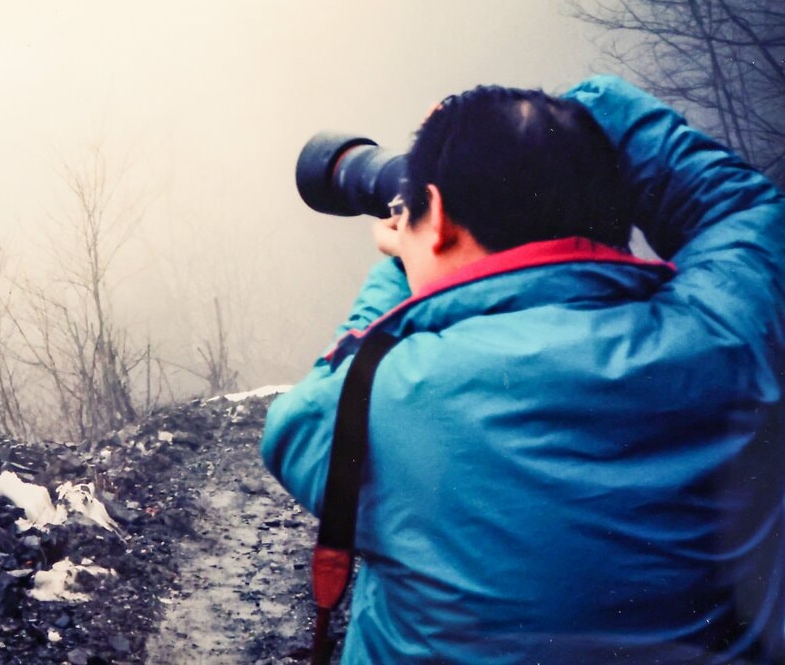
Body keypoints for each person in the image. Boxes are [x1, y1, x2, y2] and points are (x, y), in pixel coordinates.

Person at [261, 76, 785, 662]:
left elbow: (333, 385)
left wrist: (402, 269)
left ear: (433, 218)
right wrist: (568, 123)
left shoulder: (371, 402)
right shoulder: (735, 335)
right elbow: (743, 209)